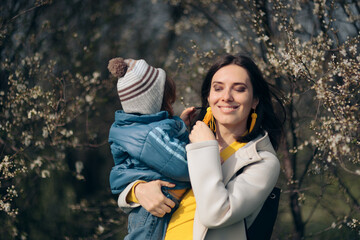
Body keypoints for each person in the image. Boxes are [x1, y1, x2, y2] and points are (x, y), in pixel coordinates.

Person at [117, 54, 284, 240]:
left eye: (239, 89)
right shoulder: (189, 142)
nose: (226, 97)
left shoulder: (262, 161)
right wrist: (138, 190)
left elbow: (216, 214)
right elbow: (126, 178)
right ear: (208, 97)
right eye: (218, 88)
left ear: (255, 100)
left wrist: (206, 148)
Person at [107, 57, 191, 240]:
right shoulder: (149, 135)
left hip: (151, 204)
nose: (172, 105)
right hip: (153, 210)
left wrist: (179, 129)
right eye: (169, 101)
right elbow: (184, 165)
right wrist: (202, 145)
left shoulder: (137, 129)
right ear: (156, 102)